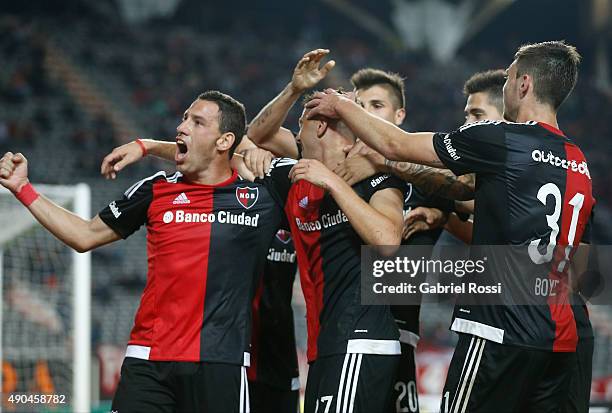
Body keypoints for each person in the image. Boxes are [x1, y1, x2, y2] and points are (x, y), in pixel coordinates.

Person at [305, 41, 595, 412]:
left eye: (507, 78)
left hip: (498, 328)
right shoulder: (580, 163)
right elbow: (581, 265)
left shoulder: (501, 136)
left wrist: (342, 105)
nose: (505, 86)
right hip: (561, 337)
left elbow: (398, 143)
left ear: (524, 84)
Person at [1, 90, 290, 413]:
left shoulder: (260, 196)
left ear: (224, 141)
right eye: (183, 119)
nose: (182, 128)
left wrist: (149, 146)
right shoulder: (155, 189)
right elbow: (84, 235)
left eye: (197, 122)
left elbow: (305, 159)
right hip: (148, 362)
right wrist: (23, 189)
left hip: (221, 362)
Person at [406, 68, 594, 413]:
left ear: (504, 119)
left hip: (522, 327)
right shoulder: (570, 163)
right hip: (556, 331)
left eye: (477, 116)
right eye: (466, 117)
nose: (468, 126)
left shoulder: (506, 145)